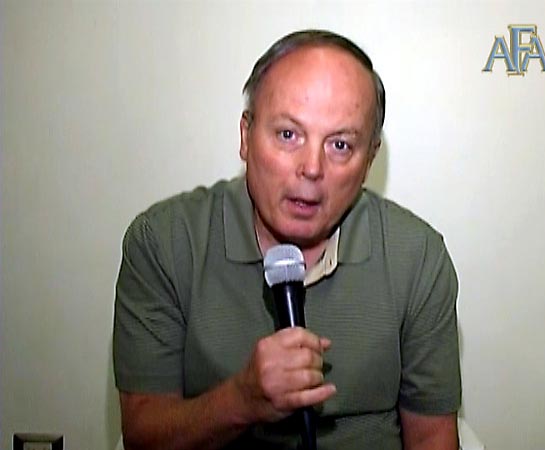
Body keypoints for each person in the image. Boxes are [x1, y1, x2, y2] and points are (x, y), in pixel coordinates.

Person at [113, 29, 461, 450]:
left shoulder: (417, 257)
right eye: (288, 135)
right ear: (246, 136)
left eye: (340, 144)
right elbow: (142, 434)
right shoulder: (164, 243)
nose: (311, 168)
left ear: (369, 160)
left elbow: (432, 437)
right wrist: (239, 400)